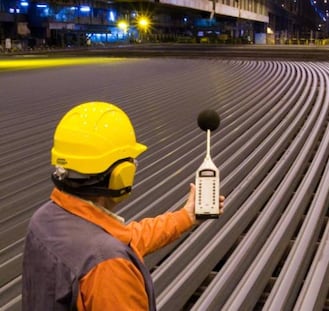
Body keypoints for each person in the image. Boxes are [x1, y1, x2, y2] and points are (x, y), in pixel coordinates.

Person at [22, 101, 224, 311]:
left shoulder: (45, 218)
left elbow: (125, 239)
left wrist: (187, 216)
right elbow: (107, 253)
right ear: (121, 175)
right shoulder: (109, 267)